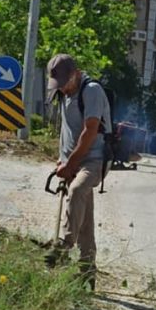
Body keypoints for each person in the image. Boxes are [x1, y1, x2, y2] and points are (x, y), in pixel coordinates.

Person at [44, 53, 112, 288]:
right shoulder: (64, 94)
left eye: (64, 83)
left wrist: (71, 165)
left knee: (77, 189)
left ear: (76, 74)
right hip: (73, 160)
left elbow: (89, 131)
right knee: (84, 216)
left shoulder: (91, 91)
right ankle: (87, 269)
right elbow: (67, 131)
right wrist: (63, 161)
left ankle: (63, 244)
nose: (62, 89)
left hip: (95, 160)